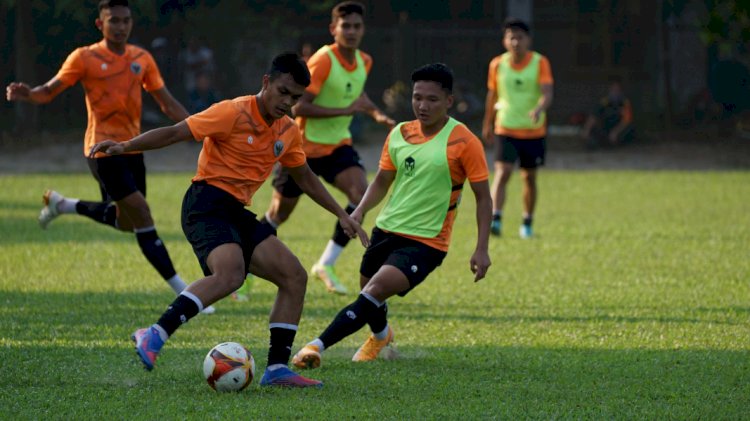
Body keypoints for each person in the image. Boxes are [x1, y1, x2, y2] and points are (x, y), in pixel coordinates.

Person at [90, 52, 369, 388]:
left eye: (295, 98)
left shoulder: (288, 130)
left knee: (294, 276)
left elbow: (306, 177)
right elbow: (176, 132)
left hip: (236, 211)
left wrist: (343, 214)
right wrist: (125, 146)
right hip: (205, 204)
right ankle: (154, 333)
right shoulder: (232, 111)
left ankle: (277, 368)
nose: (288, 103)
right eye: (283, 92)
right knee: (231, 274)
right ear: (266, 82)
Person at [4, 0, 214, 313]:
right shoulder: (84, 57)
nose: (121, 26)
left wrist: (199, 128)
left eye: (126, 20)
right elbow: (48, 91)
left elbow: (166, 103)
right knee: (142, 213)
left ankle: (64, 204)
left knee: (127, 221)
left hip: (132, 148)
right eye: (114, 20)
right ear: (100, 24)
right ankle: (184, 292)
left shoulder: (141, 58)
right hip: (101, 149)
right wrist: (29, 94)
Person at [291, 63, 491, 370]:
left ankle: (315, 346)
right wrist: (358, 212)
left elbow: (483, 198)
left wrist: (481, 247)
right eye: (417, 97)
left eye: (432, 99)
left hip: (426, 242)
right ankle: (381, 336)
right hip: (385, 231)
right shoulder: (399, 133)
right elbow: (382, 181)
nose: (422, 105)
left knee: (372, 292)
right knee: (369, 296)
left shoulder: (464, 142)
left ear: (449, 101)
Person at [261, 1, 395, 295]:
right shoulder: (323, 60)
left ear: (363, 30)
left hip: (337, 147)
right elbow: (300, 107)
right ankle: (243, 267)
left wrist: (376, 114)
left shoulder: (365, 61)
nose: (351, 31)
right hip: (302, 150)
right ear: (333, 29)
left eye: (357, 26)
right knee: (277, 215)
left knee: (360, 197)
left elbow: (355, 92)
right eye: (345, 26)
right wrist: (347, 110)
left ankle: (325, 264)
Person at [481, 18, 553, 239]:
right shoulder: (497, 64)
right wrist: (487, 123)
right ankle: (496, 219)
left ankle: (527, 223)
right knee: (502, 173)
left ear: (528, 40)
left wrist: (539, 108)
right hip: (506, 128)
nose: (515, 42)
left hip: (533, 131)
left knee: (529, 178)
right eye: (511, 37)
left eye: (520, 37)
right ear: (504, 41)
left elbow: (547, 93)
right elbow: (492, 95)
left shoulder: (540, 62)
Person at [581, 80, 634, 149]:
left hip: (619, 129)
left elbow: (626, 121)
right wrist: (586, 129)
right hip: (606, 128)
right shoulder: (605, 101)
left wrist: (615, 132)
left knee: (628, 131)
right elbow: (594, 115)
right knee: (593, 131)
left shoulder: (625, 102)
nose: (615, 92)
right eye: (613, 89)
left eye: (617, 90)